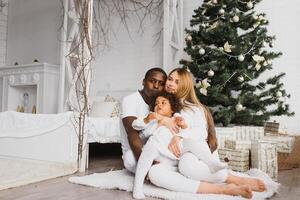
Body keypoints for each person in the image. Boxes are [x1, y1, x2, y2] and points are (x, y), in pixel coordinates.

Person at [146, 68, 267, 198]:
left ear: (185, 86)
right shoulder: (160, 105)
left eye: (177, 82)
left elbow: (201, 133)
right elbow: (149, 129)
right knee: (154, 173)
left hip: (193, 153)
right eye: (170, 79)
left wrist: (178, 136)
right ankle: (223, 189)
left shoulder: (194, 108)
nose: (170, 84)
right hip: (169, 158)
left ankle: (233, 181)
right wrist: (163, 120)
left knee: (186, 165)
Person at [132, 92, 227, 199]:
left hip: (176, 152)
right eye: (156, 104)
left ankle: (211, 163)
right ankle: (137, 187)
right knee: (150, 147)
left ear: (172, 109)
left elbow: (186, 132)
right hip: (160, 154)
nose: (159, 105)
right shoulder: (153, 120)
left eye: (163, 103)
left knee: (191, 141)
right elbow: (138, 129)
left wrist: (183, 125)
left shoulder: (176, 117)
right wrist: (148, 119)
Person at [120, 67, 167, 173]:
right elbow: (132, 133)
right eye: (152, 81)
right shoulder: (130, 100)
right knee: (130, 161)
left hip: (154, 148)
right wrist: (145, 164)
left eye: (161, 83)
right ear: (143, 81)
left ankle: (158, 171)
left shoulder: (160, 102)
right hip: (135, 151)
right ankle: (153, 171)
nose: (156, 86)